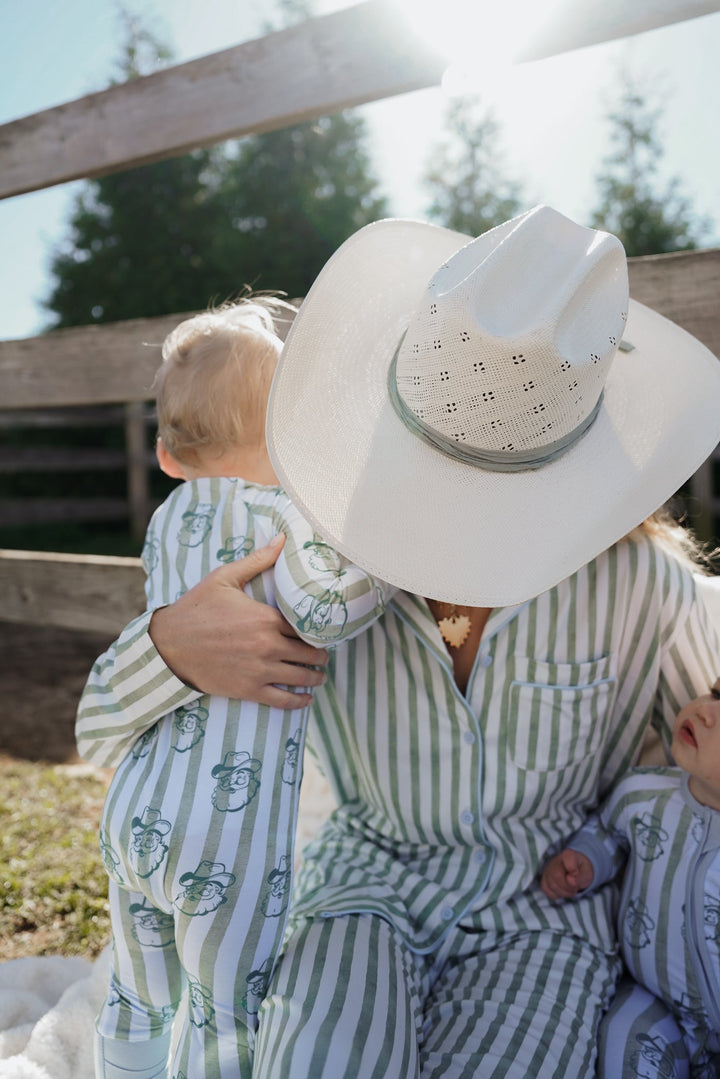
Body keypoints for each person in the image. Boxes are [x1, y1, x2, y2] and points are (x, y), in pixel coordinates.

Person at [76, 206, 720, 1078]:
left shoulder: (644, 587)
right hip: (359, 885)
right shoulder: (312, 563)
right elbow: (96, 730)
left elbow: (704, 736)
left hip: (544, 913)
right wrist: (170, 644)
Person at [88, 297, 389, 1079]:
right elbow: (322, 610)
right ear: (290, 437)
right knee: (224, 1013)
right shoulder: (284, 517)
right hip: (228, 840)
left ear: (164, 455)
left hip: (134, 811)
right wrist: (376, 554)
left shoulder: (165, 521)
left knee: (137, 987)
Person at [540, 677, 720, 1078]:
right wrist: (585, 861)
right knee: (621, 1038)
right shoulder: (643, 792)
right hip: (656, 1002)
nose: (705, 712)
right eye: (716, 693)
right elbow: (607, 832)